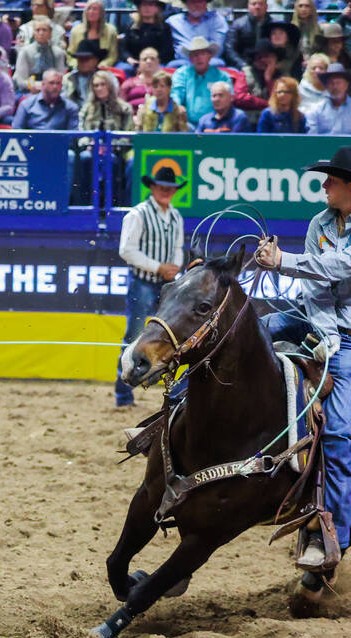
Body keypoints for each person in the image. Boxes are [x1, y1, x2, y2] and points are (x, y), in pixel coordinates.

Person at [253, 146, 351, 570]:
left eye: (332, 180)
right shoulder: (320, 222)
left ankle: (330, 530)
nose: (324, 186)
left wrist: (282, 262)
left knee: (338, 433)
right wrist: (321, 332)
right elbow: (316, 287)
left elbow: (341, 265)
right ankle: (176, 406)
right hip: (317, 321)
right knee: (248, 333)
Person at [115, 165, 184, 408]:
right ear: (153, 188)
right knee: (133, 336)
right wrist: (159, 267)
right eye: (162, 187)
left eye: (170, 188)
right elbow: (126, 250)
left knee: (174, 337)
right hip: (143, 282)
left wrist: (173, 267)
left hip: (166, 285)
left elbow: (177, 248)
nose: (166, 191)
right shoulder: (138, 214)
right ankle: (123, 395)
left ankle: (171, 393)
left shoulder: (176, 216)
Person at [170, 35, 232, 122]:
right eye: (195, 55)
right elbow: (175, 94)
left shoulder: (222, 76)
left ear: (210, 56)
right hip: (187, 123)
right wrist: (177, 106)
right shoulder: (181, 74)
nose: (199, 58)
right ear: (190, 58)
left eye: (203, 54)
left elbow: (229, 99)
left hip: (216, 123)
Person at [306, 61, 351, 133]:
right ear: (326, 87)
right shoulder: (316, 111)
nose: (335, 86)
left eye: (338, 82)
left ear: (346, 85)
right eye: (331, 83)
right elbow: (312, 139)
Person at [14, 15, 70, 93]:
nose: (41, 33)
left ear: (50, 33)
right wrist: (36, 86)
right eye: (38, 30)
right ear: (34, 33)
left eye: (44, 30)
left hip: (53, 89)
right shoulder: (25, 52)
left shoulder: (58, 52)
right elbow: (21, 80)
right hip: (30, 89)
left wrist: (49, 86)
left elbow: (61, 76)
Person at [167, 0, 228, 68]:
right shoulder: (173, 21)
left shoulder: (218, 19)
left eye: (200, 1)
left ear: (206, 2)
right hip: (182, 63)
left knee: (218, 63)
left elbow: (217, 47)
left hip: (210, 62)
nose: (197, 5)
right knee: (172, 65)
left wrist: (201, 59)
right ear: (186, 3)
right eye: (192, 1)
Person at [12, 68, 79, 129]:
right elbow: (17, 131)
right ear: (43, 84)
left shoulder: (70, 108)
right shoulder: (26, 105)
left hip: (59, 141)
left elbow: (72, 136)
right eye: (51, 83)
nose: (55, 87)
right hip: (33, 141)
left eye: (58, 83)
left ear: (61, 86)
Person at [121, 0, 175, 71]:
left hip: (157, 62)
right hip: (134, 62)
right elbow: (124, 49)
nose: (147, 8)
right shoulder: (131, 26)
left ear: (157, 8)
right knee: (124, 69)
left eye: (151, 4)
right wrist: (130, 59)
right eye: (144, 4)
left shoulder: (164, 28)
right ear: (139, 7)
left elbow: (167, 51)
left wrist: (150, 60)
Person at [67, 0, 117, 67]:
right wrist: (77, 65)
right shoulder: (76, 30)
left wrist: (101, 66)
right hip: (80, 67)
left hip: (102, 68)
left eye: (95, 9)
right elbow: (70, 54)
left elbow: (112, 55)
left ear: (101, 13)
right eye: (89, 9)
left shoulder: (111, 30)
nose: (91, 12)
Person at [225, 0, 271, 69]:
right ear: (248, 6)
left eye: (261, 4)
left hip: (269, 64)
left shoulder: (274, 26)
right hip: (243, 64)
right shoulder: (237, 25)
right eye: (254, 4)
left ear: (266, 7)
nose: (257, 7)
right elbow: (229, 49)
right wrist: (243, 65)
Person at [64, 39, 107, 106]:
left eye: (87, 58)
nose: (83, 62)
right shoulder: (68, 78)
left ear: (96, 60)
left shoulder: (106, 78)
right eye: (80, 58)